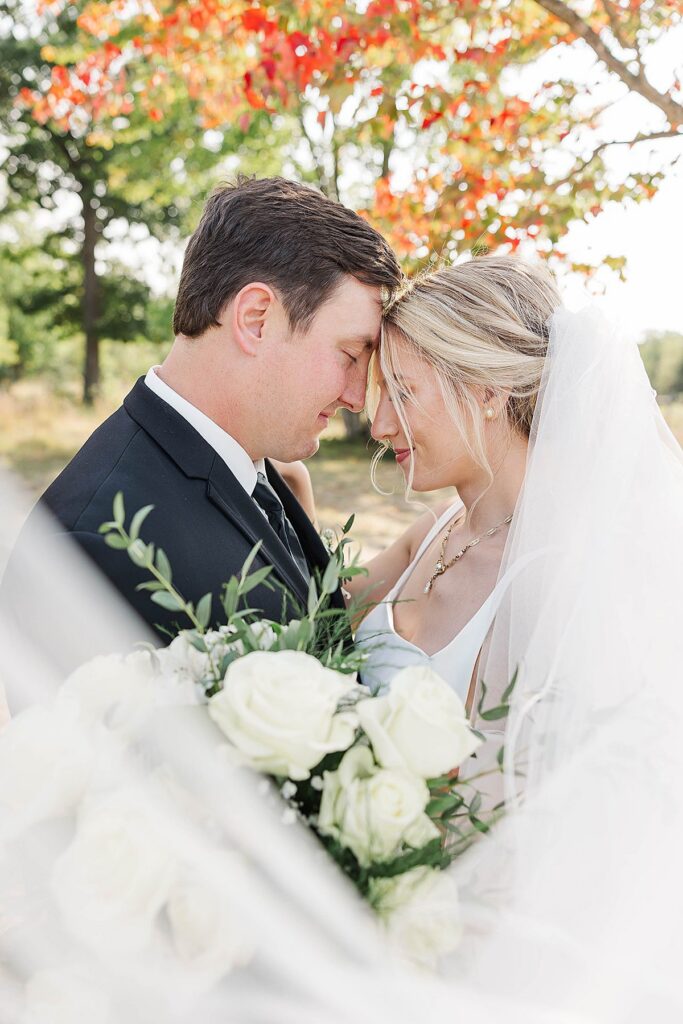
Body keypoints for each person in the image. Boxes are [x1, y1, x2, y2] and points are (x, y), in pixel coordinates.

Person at [1, 176, 402, 647]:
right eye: (351, 355)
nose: (357, 397)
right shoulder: (85, 551)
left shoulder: (260, 467)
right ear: (256, 319)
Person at [351, 256, 559, 706]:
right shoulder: (431, 532)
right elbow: (312, 616)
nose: (380, 426)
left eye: (402, 392)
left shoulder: (552, 579)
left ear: (488, 391)